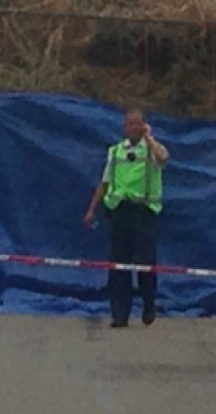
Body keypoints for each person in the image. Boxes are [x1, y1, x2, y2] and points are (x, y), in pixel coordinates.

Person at [83, 109, 170, 328]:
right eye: (130, 124)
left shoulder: (151, 149)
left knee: (146, 263)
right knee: (118, 265)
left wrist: (149, 138)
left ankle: (148, 303)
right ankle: (119, 314)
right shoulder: (115, 152)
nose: (134, 128)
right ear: (124, 127)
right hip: (120, 211)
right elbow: (104, 182)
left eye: (138, 124)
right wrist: (92, 209)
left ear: (144, 126)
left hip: (144, 211)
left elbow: (164, 158)